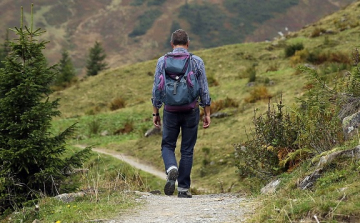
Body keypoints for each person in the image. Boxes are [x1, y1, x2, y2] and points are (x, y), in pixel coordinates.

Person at [151, 29, 211, 198]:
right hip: (191, 109)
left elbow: (157, 88)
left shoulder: (162, 61)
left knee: (168, 145)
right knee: (187, 149)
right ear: (188, 43)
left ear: (172, 44)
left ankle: (171, 167)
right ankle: (183, 189)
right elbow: (204, 89)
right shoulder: (196, 61)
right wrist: (207, 112)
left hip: (170, 110)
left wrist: (156, 112)